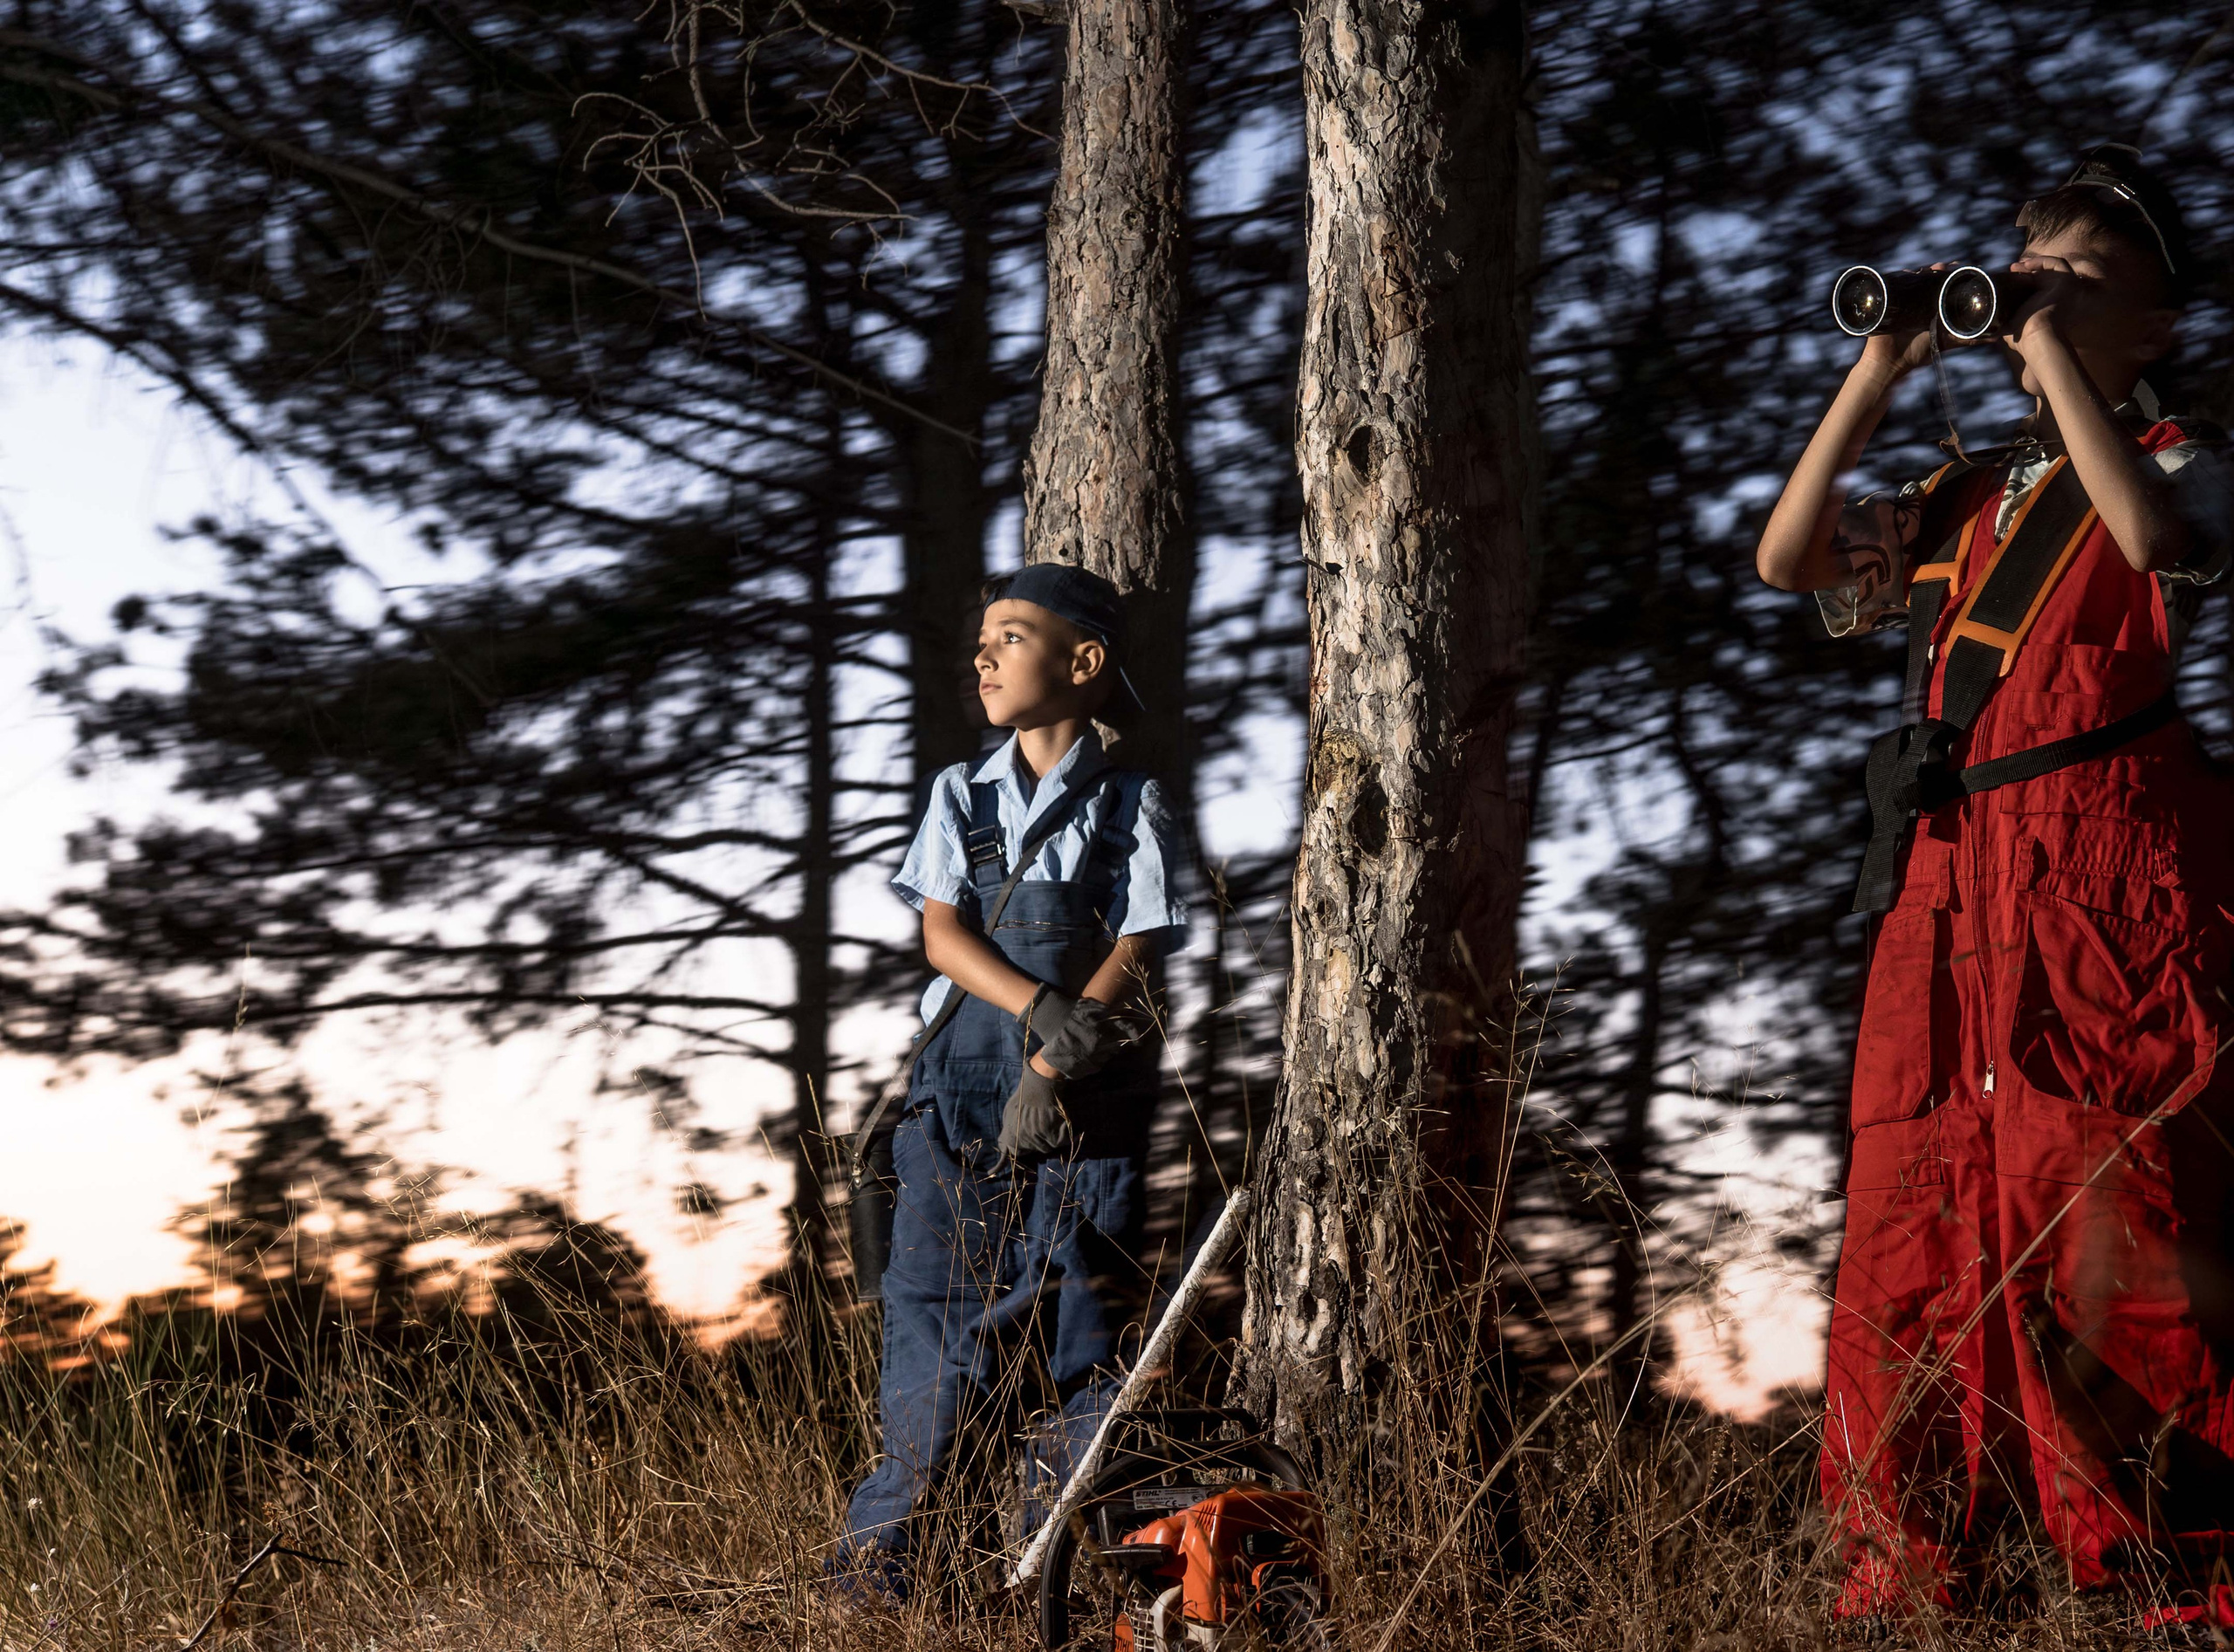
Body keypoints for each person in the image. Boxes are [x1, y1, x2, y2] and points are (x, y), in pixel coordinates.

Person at [1756, 146, 2234, 1627]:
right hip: (1952, 891)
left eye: (2082, 277)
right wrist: (1883, 362)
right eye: (2029, 263)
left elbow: (2159, 544)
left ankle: (2173, 1584)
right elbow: (1788, 560)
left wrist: (2035, 338)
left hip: (2104, 882)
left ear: (2150, 326)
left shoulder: (2180, 444)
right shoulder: (1964, 493)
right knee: (1912, 1236)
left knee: (2116, 1225)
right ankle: (1908, 1585)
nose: (2041, 287)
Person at [833, 561, 1187, 1601]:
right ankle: (883, 1588)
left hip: (1085, 1115)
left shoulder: (1132, 801)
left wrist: (1053, 1064)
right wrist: (1035, 1009)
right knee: (934, 1344)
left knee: (1078, 1343)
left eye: (1013, 637)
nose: (983, 654)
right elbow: (943, 934)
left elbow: (1143, 935)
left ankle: (1052, 1589)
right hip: (956, 1105)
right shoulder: (959, 793)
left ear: (1083, 664)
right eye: (981, 639)